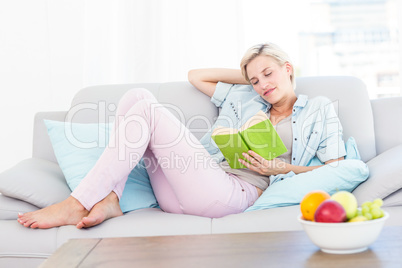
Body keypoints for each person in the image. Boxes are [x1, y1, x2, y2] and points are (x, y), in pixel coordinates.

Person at [18, 42, 346, 229]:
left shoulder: (318, 109)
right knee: (137, 96)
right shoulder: (245, 97)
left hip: (235, 194)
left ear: (288, 68)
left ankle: (79, 202)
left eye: (269, 73)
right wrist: (251, 77)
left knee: (146, 106)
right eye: (256, 79)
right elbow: (196, 76)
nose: (263, 84)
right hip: (192, 189)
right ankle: (110, 199)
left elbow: (338, 167)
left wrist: (282, 169)